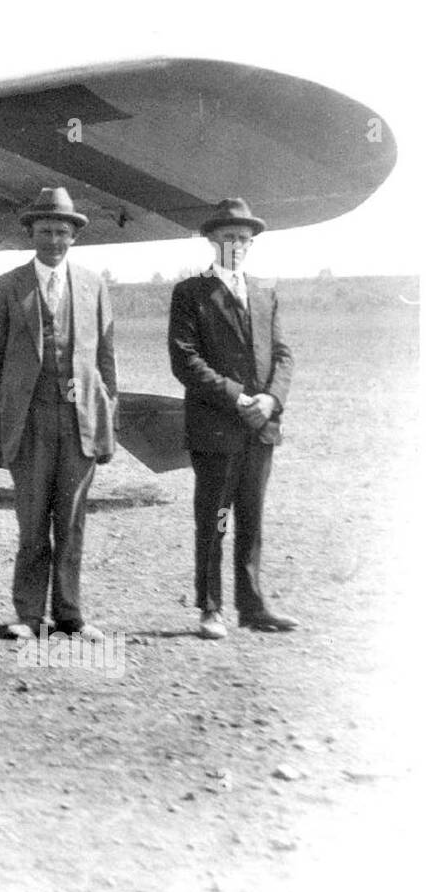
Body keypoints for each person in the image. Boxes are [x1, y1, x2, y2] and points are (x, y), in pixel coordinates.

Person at [0, 187, 117, 641]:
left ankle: (70, 614)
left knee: (71, 522)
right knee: (33, 522)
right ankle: (30, 616)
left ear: (73, 236)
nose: (53, 240)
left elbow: (106, 360)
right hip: (30, 422)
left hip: (79, 424)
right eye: (45, 231)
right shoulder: (6, 287)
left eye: (61, 232)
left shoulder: (94, 286)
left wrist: (107, 419)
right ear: (31, 235)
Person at [168, 198, 297, 639]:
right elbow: (185, 360)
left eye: (243, 239)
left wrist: (271, 402)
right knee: (215, 520)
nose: (236, 245)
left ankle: (254, 606)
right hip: (216, 428)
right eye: (228, 238)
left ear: (251, 243)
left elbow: (282, 356)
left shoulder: (265, 292)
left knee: (252, 518)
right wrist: (238, 397)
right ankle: (210, 608)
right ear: (211, 240)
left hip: (261, 428)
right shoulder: (191, 293)